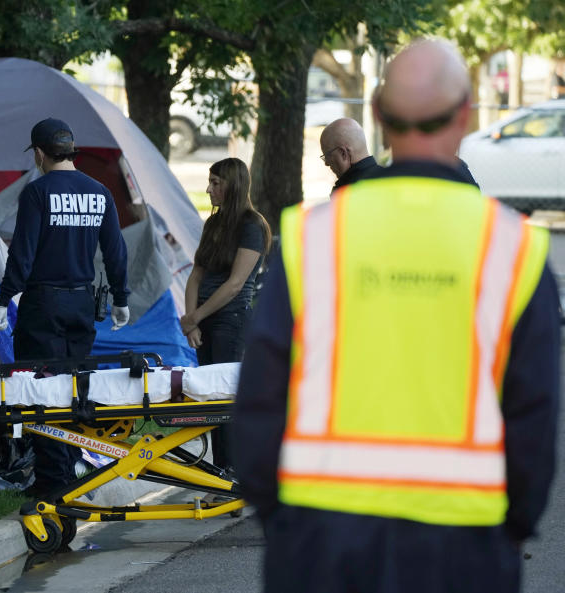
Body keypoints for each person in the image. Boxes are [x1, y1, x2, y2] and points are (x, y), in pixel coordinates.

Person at [233, 39, 559, 593]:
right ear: (466, 115)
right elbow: (534, 417)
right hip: (465, 543)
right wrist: (509, 531)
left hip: (320, 539)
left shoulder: (312, 239)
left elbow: (261, 396)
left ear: (379, 118)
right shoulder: (515, 250)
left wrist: (282, 522)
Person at [0, 118, 130, 496]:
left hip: (43, 303)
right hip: (83, 302)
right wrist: (121, 298)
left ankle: (53, 483)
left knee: (42, 392)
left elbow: (23, 252)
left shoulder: (38, 193)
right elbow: (116, 251)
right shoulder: (99, 191)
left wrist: (5, 298)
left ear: (39, 153)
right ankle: (69, 471)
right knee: (73, 390)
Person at [179, 158, 269, 476]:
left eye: (216, 182)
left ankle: (233, 472)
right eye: (210, 181)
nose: (209, 189)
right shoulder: (213, 224)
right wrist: (192, 320)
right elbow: (195, 276)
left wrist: (196, 317)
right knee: (211, 400)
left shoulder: (252, 226)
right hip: (205, 322)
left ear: (233, 185)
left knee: (225, 400)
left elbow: (234, 286)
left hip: (231, 321)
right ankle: (222, 471)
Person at [319, 117, 381, 194]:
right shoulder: (393, 178)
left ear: (343, 153)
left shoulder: (344, 193)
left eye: (328, 156)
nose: (326, 163)